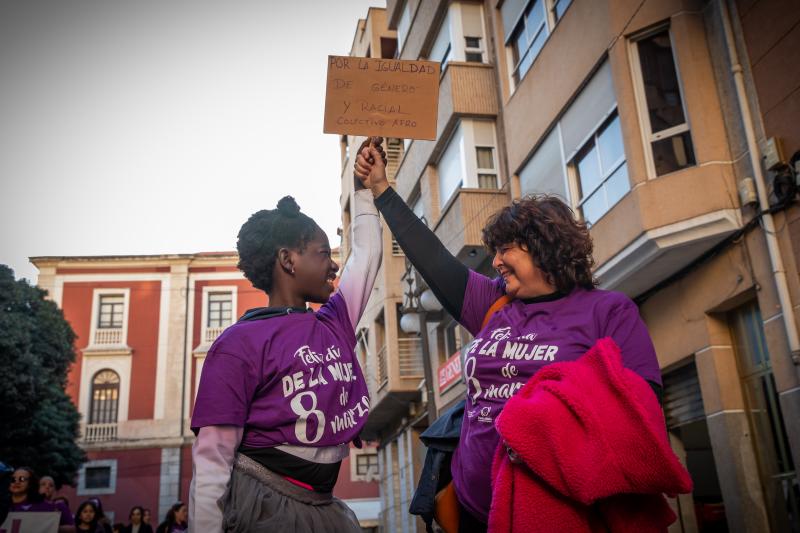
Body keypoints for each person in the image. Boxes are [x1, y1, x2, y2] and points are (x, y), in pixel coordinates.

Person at [354, 143, 663, 531]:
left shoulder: (608, 312)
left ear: (545, 246)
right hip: (473, 512)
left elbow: (640, 408)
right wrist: (382, 189)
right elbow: (432, 258)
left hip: (562, 515)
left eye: (506, 250)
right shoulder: (493, 303)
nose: (496, 261)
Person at [190, 139, 384, 533]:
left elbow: (366, 257)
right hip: (264, 507)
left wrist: (365, 190)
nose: (333, 265)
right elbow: (212, 459)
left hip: (322, 507)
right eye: (322, 253)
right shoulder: (237, 345)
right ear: (287, 260)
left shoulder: (334, 322)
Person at [8, 466, 74, 532]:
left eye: (22, 479)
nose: (16, 482)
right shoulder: (4, 505)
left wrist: (50, 526)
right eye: (13, 479)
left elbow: (72, 529)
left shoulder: (50, 507)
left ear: (30, 484)